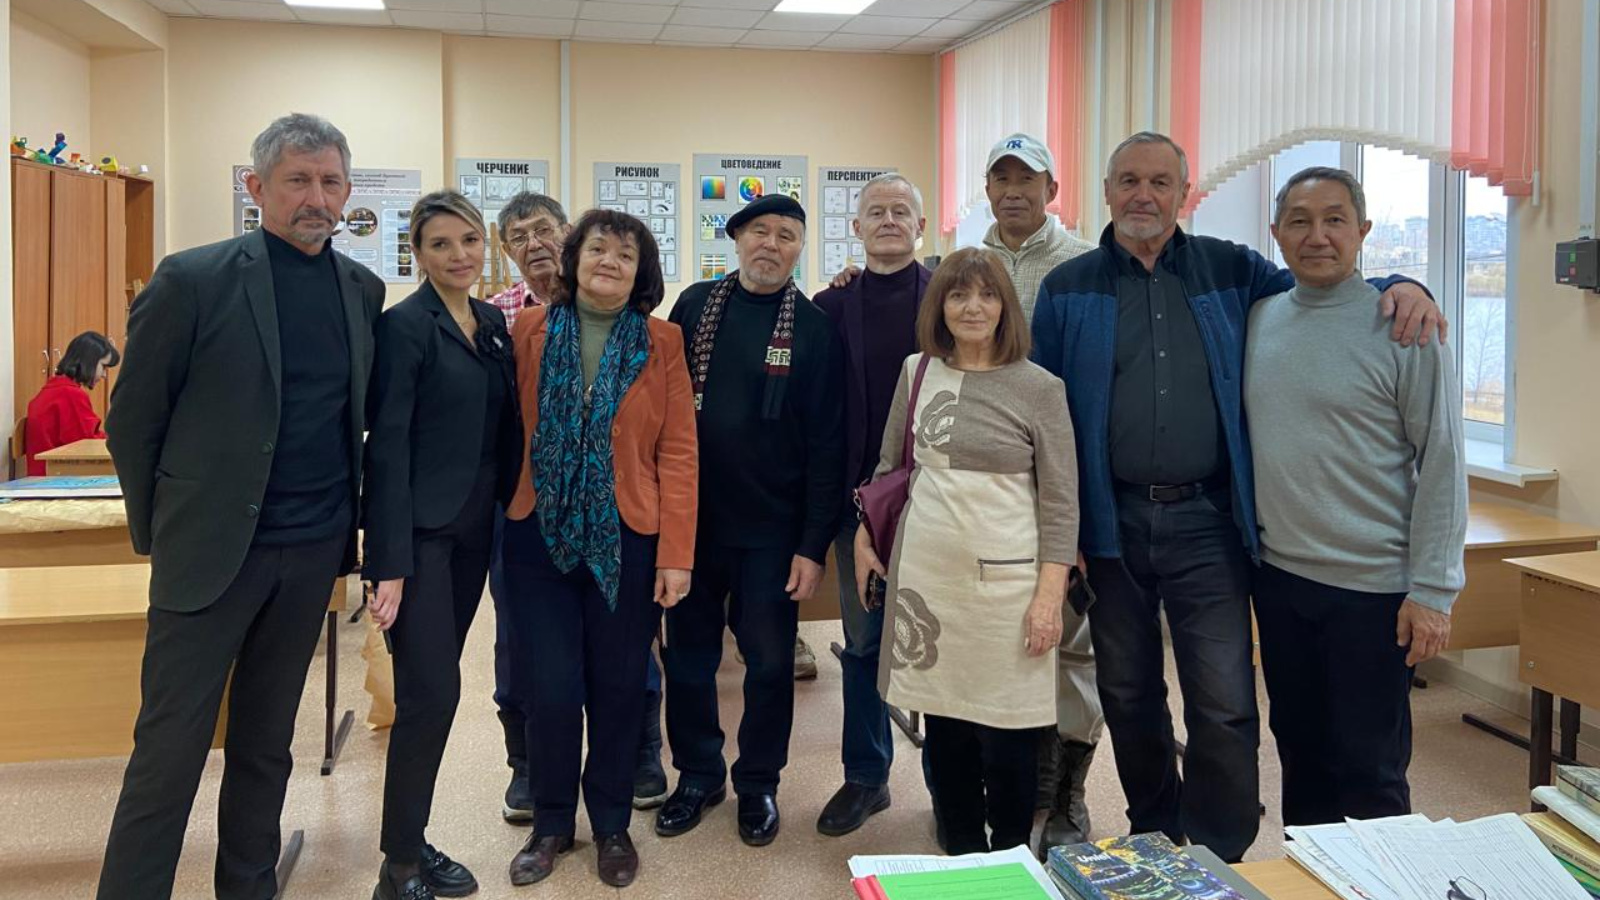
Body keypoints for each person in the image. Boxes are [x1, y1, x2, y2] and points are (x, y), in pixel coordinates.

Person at [1031, 131, 1446, 862]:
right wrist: (1061, 540)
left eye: (1161, 182)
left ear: (1184, 194)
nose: (1144, 195)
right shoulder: (1068, 288)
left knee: (1223, 700)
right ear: (1107, 190)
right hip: (1111, 523)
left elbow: (1325, 282)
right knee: (1127, 693)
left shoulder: (1232, 270)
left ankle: (1220, 848)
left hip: (1210, 521)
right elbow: (1046, 420)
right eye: (1129, 180)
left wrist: (1405, 284)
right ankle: (1155, 832)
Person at [99, 112, 385, 900]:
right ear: (257, 188)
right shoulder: (192, 280)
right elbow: (132, 423)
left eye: (330, 181)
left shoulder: (361, 290)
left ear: (347, 191)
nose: (316, 197)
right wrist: (161, 531)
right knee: (169, 750)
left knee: (266, 742)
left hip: (311, 552)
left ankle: (249, 886)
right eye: (297, 180)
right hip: (209, 556)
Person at [1246, 166, 1465, 826]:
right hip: (1281, 583)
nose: (1318, 236)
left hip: (1372, 593)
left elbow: (1443, 461)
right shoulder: (1259, 319)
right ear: (1277, 233)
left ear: (1363, 231)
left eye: (1335, 220)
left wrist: (1434, 590)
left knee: (1370, 770)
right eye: (1300, 221)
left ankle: (1386, 876)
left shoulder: (1405, 327)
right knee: (1300, 757)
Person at [854, 246, 1078, 855]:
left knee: (1009, 733)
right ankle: (960, 851)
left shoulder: (1040, 388)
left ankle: (1009, 854)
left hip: (1009, 589)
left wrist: (1049, 597)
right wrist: (864, 538)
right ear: (940, 306)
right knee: (946, 725)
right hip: (928, 582)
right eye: (958, 295)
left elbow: (1062, 503)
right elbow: (889, 468)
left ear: (1005, 307)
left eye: (986, 294)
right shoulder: (917, 372)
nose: (972, 307)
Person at [502, 209, 697, 889]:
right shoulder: (528, 330)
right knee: (550, 689)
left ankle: (612, 824)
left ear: (642, 271)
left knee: (618, 687)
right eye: (597, 249)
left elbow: (678, 450)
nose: (610, 261)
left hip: (629, 538)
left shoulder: (663, 341)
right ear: (574, 259)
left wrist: (677, 554)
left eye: (625, 253)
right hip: (538, 533)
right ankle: (552, 824)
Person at [657, 194, 844, 848]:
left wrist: (812, 545)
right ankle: (698, 775)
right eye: (760, 231)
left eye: (787, 235)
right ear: (735, 239)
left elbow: (828, 447)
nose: (771, 244)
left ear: (799, 249)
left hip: (773, 534)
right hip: (693, 527)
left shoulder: (815, 330)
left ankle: (759, 782)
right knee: (688, 661)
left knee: (768, 666)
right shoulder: (693, 307)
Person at [363, 190, 522, 900]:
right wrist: (387, 563)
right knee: (430, 694)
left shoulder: (491, 322)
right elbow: (387, 448)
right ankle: (397, 866)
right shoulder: (404, 327)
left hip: (474, 532)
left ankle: (413, 841)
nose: (459, 255)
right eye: (440, 244)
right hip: (421, 537)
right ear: (417, 255)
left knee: (436, 691)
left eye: (469, 241)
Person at [812, 173, 932, 837]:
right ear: (855, 228)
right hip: (857, 505)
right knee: (862, 643)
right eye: (876, 212)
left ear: (921, 225)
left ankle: (950, 783)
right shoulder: (831, 305)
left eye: (901, 211)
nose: (889, 220)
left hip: (935, 504)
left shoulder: (946, 298)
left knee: (939, 643)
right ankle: (866, 776)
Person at [483, 191, 569, 821]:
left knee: (620, 627)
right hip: (517, 500)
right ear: (507, 250)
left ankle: (640, 749)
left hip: (601, 498)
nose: (534, 244)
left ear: (568, 230)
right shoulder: (492, 318)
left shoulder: (611, 301)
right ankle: (525, 762)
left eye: (544, 229)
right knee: (516, 632)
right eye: (519, 237)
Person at [24, 330, 119, 475]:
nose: (104, 375)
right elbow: (87, 444)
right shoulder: (70, 395)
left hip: (45, 472)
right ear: (88, 361)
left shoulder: (54, 389)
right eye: (103, 367)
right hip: (54, 477)